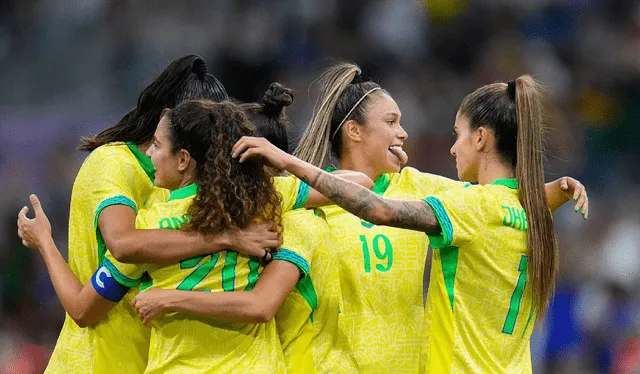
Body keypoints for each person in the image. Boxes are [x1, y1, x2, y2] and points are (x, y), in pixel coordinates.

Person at [233, 62, 588, 373]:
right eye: (391, 121)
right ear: (354, 131)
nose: (403, 132)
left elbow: (488, 203)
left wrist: (551, 190)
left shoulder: (420, 188)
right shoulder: (307, 206)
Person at [16, 55, 283, 374]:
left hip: (152, 359)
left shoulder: (185, 195)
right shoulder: (113, 165)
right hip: (97, 360)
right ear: (172, 119)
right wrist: (226, 238)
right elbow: (123, 245)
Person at [131, 83, 357, 373]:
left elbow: (261, 306)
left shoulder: (147, 223)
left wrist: (167, 298)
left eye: (157, 145)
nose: (149, 152)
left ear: (185, 158)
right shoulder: (265, 204)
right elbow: (356, 186)